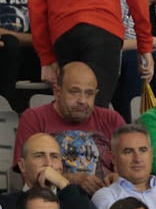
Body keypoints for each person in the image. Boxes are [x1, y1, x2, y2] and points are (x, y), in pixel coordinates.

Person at [13, 62, 127, 195]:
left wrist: (117, 178)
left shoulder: (112, 120)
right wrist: (72, 180)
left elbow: (133, 169)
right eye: (74, 92)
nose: (82, 100)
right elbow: (29, 175)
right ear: (57, 91)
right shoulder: (34, 118)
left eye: (89, 94)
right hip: (54, 201)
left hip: (107, 201)